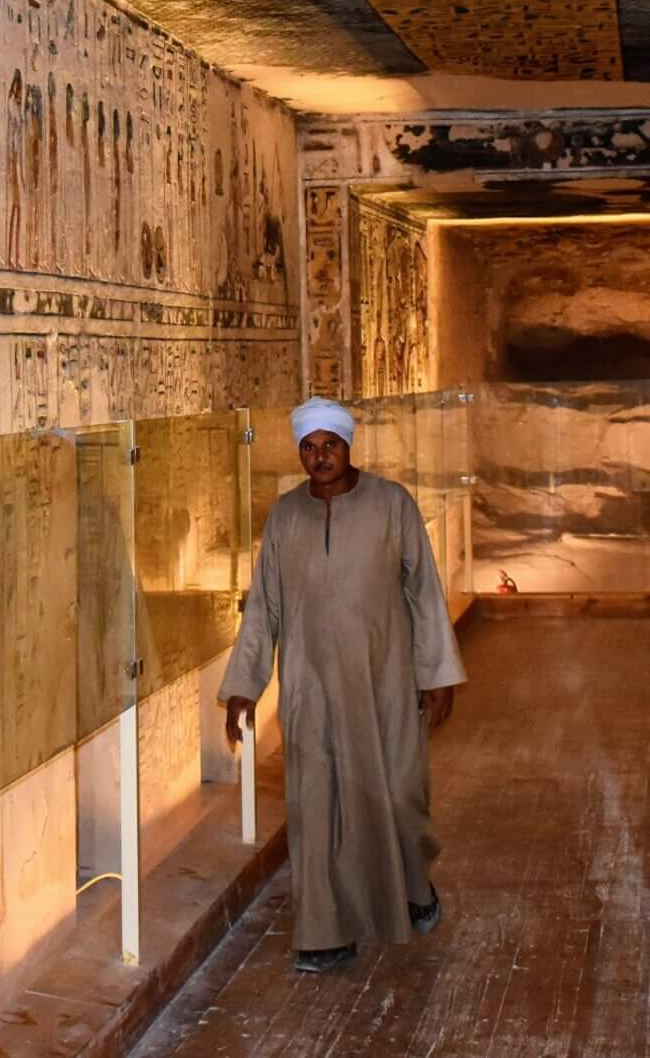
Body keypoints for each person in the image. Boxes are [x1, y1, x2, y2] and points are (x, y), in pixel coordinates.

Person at [220, 396, 466, 973]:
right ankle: (325, 930)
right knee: (316, 805)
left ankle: (413, 887)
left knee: (399, 795)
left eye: (329, 445)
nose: (319, 456)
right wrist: (244, 687)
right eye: (309, 447)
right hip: (310, 687)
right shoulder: (284, 517)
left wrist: (437, 674)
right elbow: (264, 609)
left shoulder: (391, 504)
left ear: (348, 445)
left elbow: (424, 593)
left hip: (385, 682)